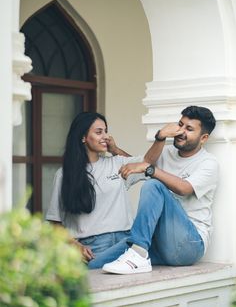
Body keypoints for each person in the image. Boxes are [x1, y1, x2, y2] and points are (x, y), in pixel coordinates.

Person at [88, 106, 219, 273]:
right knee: (95, 266)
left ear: (203, 138)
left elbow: (183, 188)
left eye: (189, 129)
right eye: (180, 125)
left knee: (153, 185)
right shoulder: (166, 153)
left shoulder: (208, 163)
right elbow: (141, 164)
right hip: (158, 243)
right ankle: (139, 252)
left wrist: (151, 170)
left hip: (189, 244)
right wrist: (160, 137)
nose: (181, 131)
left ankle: (138, 254)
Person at [46, 111, 147, 262]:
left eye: (106, 131)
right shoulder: (64, 175)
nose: (105, 136)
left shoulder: (116, 163)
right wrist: (73, 244)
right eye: (99, 132)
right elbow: (54, 222)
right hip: (93, 247)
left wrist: (115, 150)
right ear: (83, 137)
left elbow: (144, 165)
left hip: (126, 241)